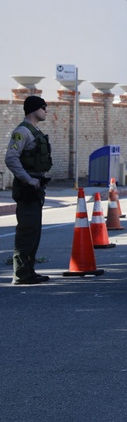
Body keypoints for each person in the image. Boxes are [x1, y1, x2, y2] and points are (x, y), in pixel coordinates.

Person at [5, 95, 53, 285]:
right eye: (43, 107)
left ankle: (29, 271)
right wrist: (28, 179)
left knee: (34, 231)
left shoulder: (35, 130)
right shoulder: (22, 132)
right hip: (27, 188)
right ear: (34, 109)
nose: (46, 111)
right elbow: (11, 158)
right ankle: (21, 274)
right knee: (27, 231)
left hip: (36, 187)